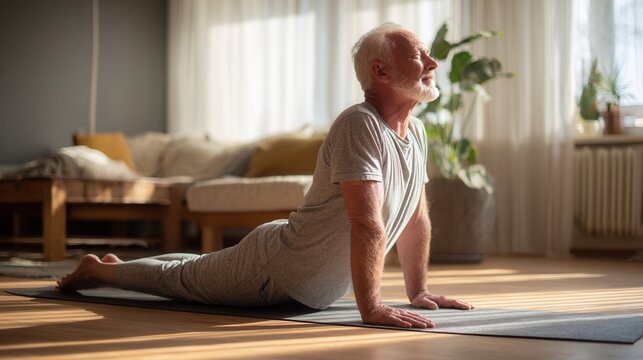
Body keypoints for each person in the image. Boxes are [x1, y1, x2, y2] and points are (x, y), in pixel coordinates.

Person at [58, 22, 473, 329]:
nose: (434, 63)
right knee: (182, 279)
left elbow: (414, 218)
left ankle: (117, 264)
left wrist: (417, 291)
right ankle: (99, 270)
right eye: (419, 55)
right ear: (381, 73)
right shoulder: (359, 124)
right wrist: (372, 308)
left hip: (299, 273)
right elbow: (367, 223)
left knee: (198, 266)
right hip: (275, 269)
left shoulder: (415, 131)